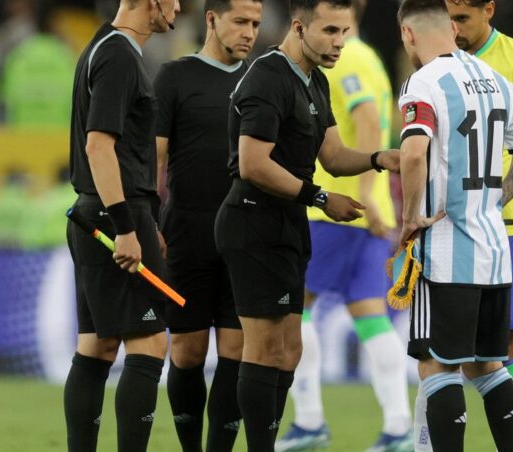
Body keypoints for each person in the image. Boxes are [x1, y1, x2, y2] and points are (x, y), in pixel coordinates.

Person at [214, 0, 400, 449]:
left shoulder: (315, 80)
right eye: (330, 31)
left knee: (289, 348)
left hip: (288, 226)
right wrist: (318, 197)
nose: (340, 42)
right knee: (262, 348)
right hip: (253, 223)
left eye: (345, 31)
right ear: (299, 27)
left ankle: (289, 431)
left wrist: (378, 159)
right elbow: (253, 163)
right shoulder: (267, 76)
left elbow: (333, 156)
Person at [412, 1, 513, 448]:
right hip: (449, 223)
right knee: (439, 347)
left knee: (507, 340)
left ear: (489, 10)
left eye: (462, 19)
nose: (453, 29)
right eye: (447, 19)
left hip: (506, 222)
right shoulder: (434, 59)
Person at [275, 1, 412, 451]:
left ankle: (310, 420)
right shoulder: (369, 55)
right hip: (367, 214)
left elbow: (368, 120)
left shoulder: (345, 57)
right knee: (370, 314)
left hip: (338, 209)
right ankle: (398, 428)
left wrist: (369, 195)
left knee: (293, 310)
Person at [63, 1, 179, 451]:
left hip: (97, 211)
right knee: (149, 345)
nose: (178, 6)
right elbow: (99, 147)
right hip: (114, 214)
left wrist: (143, 219)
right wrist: (128, 226)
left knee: (97, 345)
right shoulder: (119, 55)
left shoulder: (102, 47)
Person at [153, 0, 262, 451]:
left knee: (237, 352)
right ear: (211, 19)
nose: (250, 33)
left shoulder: (262, 80)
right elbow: (153, 158)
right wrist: (146, 221)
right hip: (187, 235)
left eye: (256, 24)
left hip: (243, 237)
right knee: (187, 352)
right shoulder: (175, 78)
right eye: (240, 22)